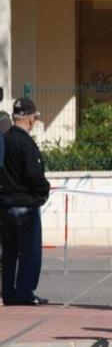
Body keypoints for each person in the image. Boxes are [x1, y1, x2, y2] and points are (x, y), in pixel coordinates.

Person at [0, 98, 51, 305]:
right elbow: (33, 174)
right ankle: (24, 291)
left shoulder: (5, 140)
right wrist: (43, 190)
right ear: (31, 119)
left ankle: (9, 291)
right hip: (25, 204)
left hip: (5, 204)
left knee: (9, 251)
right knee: (29, 252)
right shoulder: (26, 143)